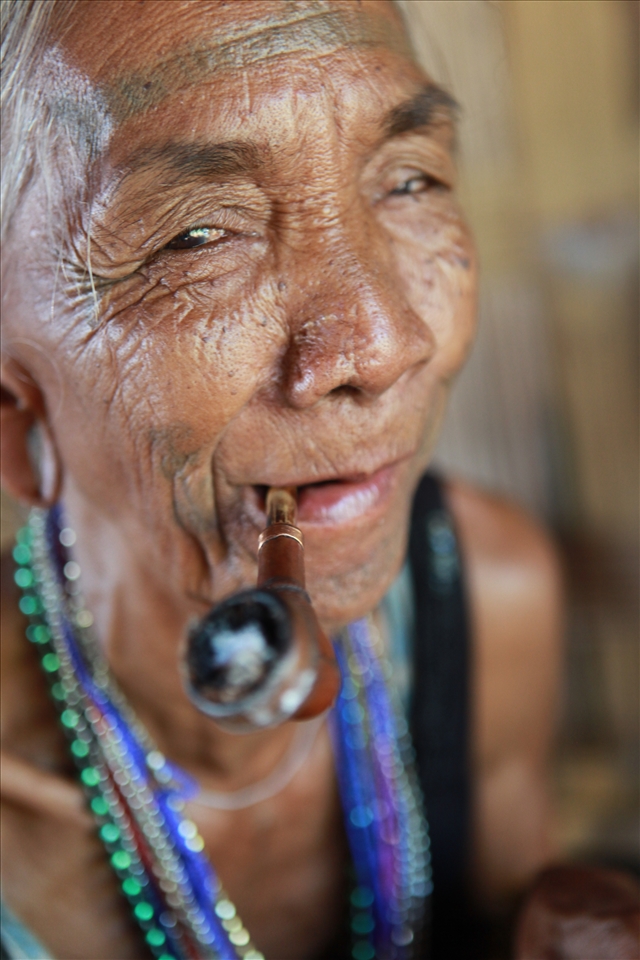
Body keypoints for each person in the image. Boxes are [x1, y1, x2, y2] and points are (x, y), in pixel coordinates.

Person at [0, 1, 593, 958]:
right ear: (15, 418)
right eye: (198, 238)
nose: (386, 343)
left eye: (408, 180)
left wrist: (568, 914)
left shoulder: (489, 594)